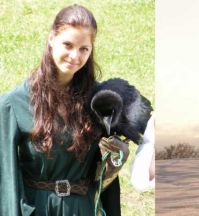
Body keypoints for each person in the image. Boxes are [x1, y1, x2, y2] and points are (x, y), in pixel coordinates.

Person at [0, 4, 128, 215]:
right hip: (37, 209)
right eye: (67, 45)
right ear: (51, 39)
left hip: (83, 208)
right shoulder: (13, 104)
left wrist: (114, 161)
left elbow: (106, 184)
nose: (74, 56)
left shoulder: (100, 102)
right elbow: (6, 179)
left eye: (83, 49)